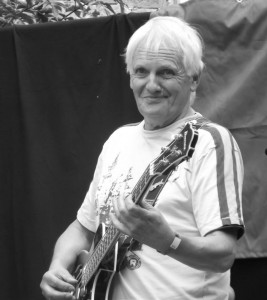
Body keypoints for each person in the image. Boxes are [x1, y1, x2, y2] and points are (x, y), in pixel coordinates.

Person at [40, 16, 244, 300]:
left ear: (194, 79)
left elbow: (223, 254)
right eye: (141, 72)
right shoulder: (118, 140)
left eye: (166, 72)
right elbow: (82, 228)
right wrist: (58, 268)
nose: (151, 84)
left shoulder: (207, 142)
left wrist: (168, 241)